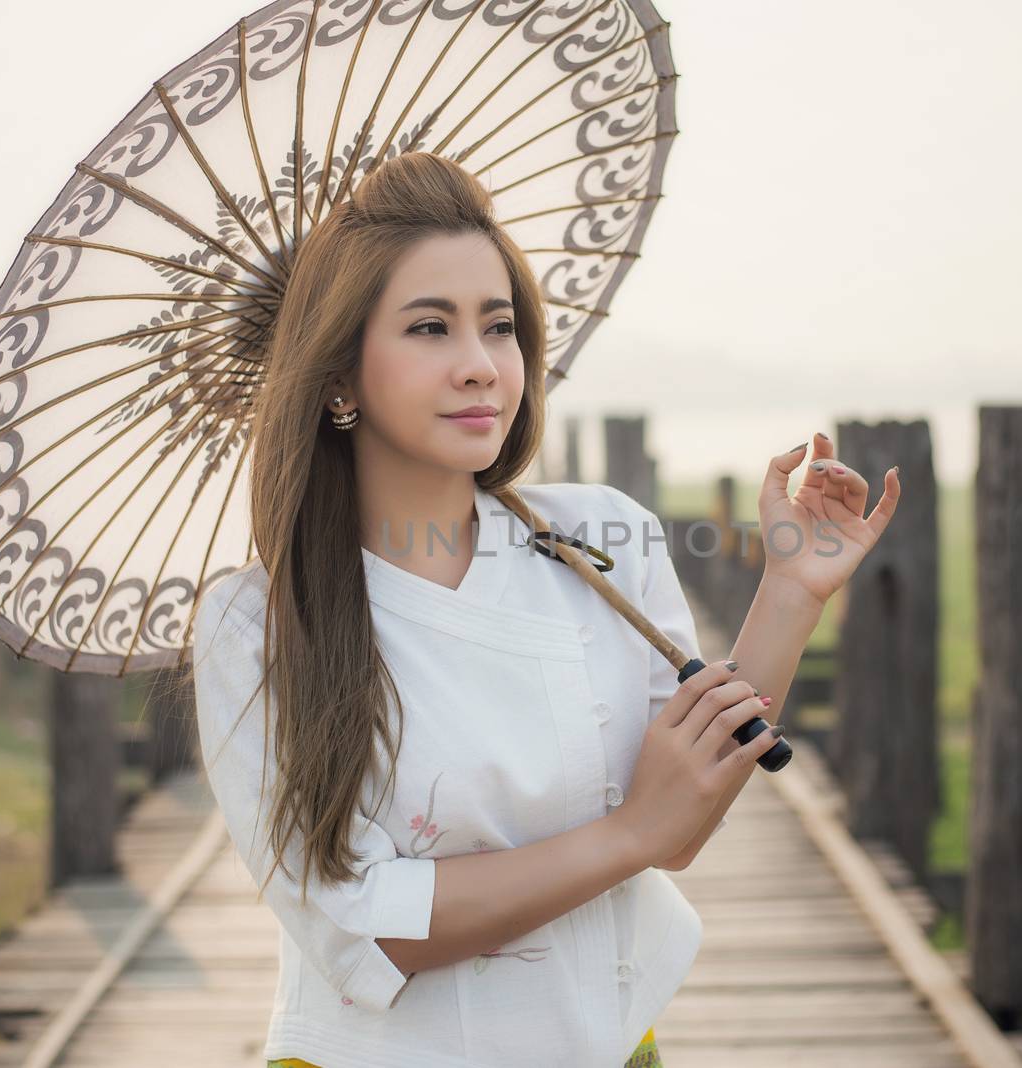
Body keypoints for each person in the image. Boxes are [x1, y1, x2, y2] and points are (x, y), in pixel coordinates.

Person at [189, 151, 900, 1067]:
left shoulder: (600, 537)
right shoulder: (257, 624)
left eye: (499, 326)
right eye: (430, 328)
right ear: (338, 377)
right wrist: (626, 834)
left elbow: (684, 818)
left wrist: (791, 593)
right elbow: (361, 929)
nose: (481, 366)